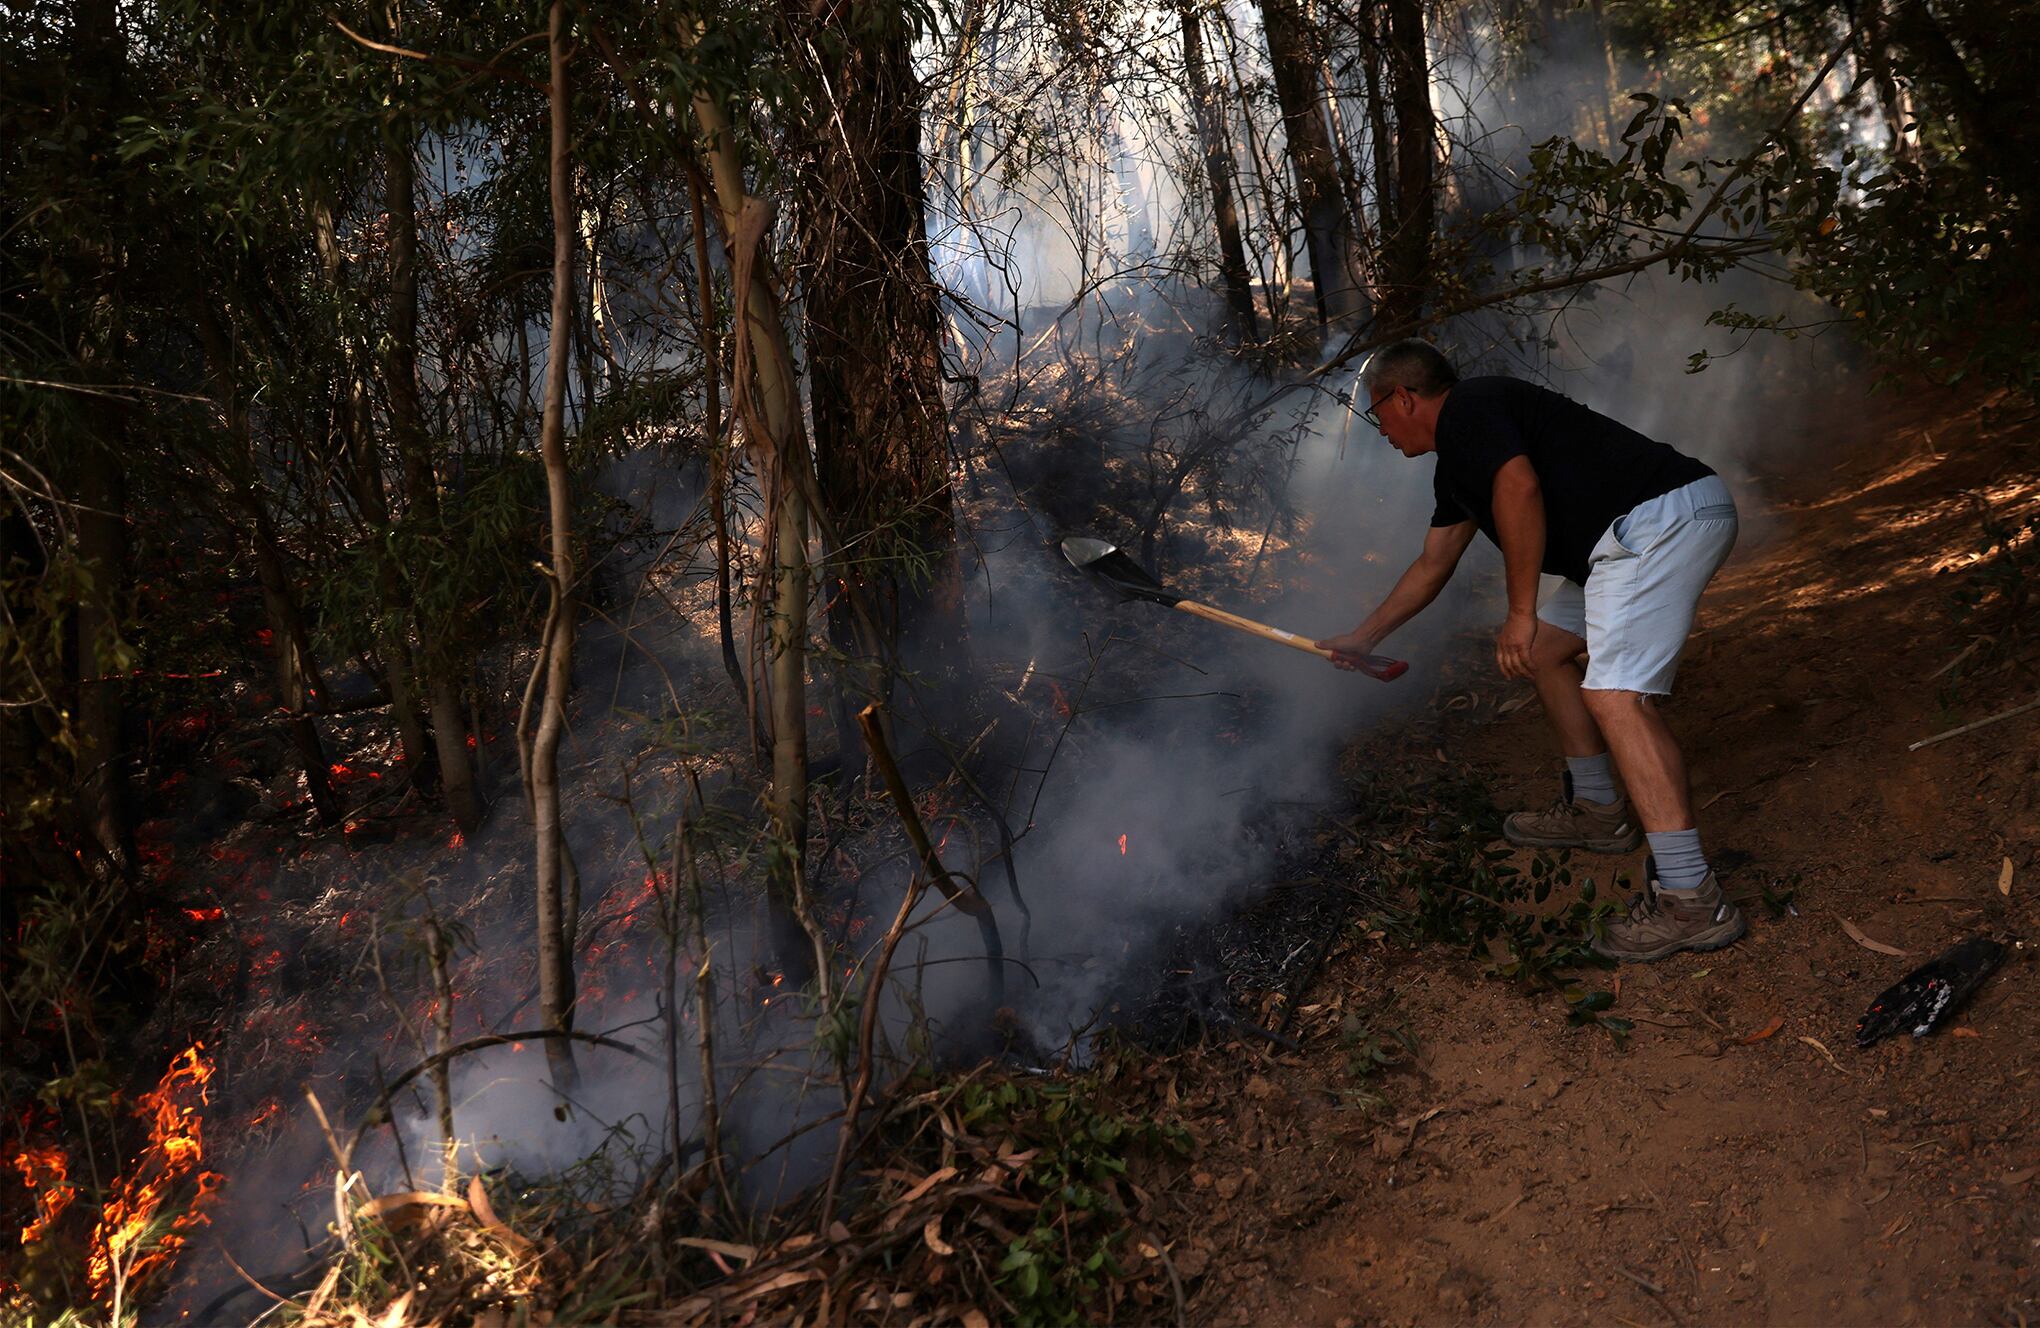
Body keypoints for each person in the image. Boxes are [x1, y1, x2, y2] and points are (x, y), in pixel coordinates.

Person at [1316, 340, 1744, 961]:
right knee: (1545, 654)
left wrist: (1518, 613)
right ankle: (1598, 811)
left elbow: (1519, 490)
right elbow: (1432, 564)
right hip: (1632, 535)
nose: (1378, 429)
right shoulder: (1460, 464)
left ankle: (1690, 899)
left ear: (1404, 396)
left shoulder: (1472, 406)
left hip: (1657, 523)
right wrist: (1363, 637)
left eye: (1376, 413)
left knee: (1617, 697)